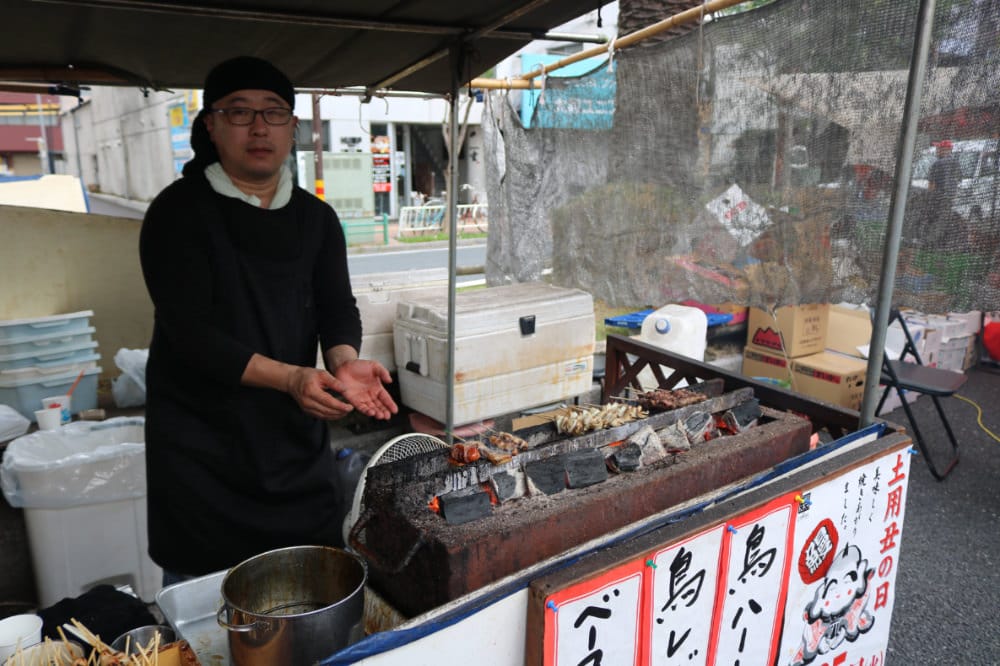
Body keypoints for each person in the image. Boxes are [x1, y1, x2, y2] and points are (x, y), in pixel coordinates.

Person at [139, 56, 398, 583]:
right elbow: (190, 334)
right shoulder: (177, 213)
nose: (259, 127)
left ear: (293, 128)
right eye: (239, 112)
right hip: (201, 458)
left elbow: (335, 307)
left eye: (274, 113)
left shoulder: (316, 219)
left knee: (311, 599)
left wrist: (343, 362)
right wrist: (291, 377)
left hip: (292, 451)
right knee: (210, 622)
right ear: (210, 125)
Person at [925, 139, 962, 245]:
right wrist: (954, 196)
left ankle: (931, 242)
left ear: (945, 149)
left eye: (939, 148)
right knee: (945, 219)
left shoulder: (937, 163)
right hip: (949, 198)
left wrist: (929, 198)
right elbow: (958, 181)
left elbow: (932, 184)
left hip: (938, 197)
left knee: (933, 219)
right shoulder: (956, 163)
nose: (937, 150)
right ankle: (942, 241)